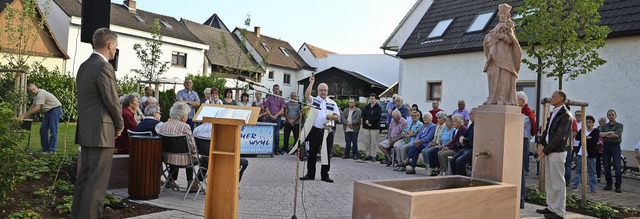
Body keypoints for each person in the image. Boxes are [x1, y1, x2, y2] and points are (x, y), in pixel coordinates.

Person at [72, 27, 124, 219]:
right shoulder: (104, 67)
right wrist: (120, 125)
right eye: (115, 46)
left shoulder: (84, 66)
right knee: (97, 185)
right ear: (110, 44)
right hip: (102, 134)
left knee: (84, 180)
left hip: (86, 132)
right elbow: (112, 101)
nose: (115, 50)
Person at [535, 90, 572, 219]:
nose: (551, 98)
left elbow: (560, 137)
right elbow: (548, 130)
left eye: (553, 96)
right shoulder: (554, 113)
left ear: (561, 98)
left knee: (558, 183)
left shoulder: (566, 115)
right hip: (550, 151)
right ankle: (551, 207)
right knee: (550, 181)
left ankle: (559, 212)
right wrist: (540, 141)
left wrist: (545, 151)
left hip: (557, 152)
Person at [299, 75, 340, 183]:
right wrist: (311, 83)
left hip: (327, 131)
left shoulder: (332, 103)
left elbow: (337, 116)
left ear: (327, 91)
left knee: (326, 153)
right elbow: (307, 95)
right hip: (315, 130)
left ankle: (325, 175)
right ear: (317, 91)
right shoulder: (314, 100)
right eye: (321, 90)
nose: (323, 92)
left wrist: (331, 117)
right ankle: (310, 174)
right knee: (312, 153)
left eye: (325, 90)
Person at [482, 3, 521, 106]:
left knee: (504, 80)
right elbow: (491, 39)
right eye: (501, 13)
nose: (503, 15)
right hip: (494, 57)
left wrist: (502, 36)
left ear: (508, 15)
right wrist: (489, 37)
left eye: (505, 13)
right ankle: (492, 98)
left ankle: (502, 99)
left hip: (505, 58)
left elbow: (512, 41)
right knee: (493, 79)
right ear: (498, 14)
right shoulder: (497, 26)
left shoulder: (509, 25)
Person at [157, 102, 200, 192]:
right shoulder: (185, 126)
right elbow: (192, 145)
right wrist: (196, 152)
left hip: (167, 158)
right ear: (183, 116)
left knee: (177, 151)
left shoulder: (163, 125)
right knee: (190, 155)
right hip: (183, 160)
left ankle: (170, 180)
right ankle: (190, 183)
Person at [19, 83, 63, 153]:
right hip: (48, 112)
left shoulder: (41, 93)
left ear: (36, 87)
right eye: (30, 91)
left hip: (55, 110)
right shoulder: (36, 96)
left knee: (53, 131)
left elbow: (37, 108)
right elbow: (33, 106)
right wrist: (26, 115)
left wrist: (24, 115)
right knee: (43, 130)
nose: (32, 91)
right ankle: (45, 150)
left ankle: (52, 151)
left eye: (33, 89)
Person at [517, 91, 537, 209]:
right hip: (518, 141)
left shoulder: (526, 115)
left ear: (522, 102)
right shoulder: (522, 112)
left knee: (521, 172)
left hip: (523, 142)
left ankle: (521, 200)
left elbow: (514, 124)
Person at [572, 115, 599, 193]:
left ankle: (593, 188)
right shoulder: (582, 130)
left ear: (593, 123)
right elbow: (577, 138)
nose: (588, 123)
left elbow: (594, 139)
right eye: (586, 122)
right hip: (581, 152)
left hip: (591, 153)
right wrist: (586, 137)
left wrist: (586, 138)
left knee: (592, 171)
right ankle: (575, 185)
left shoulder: (595, 131)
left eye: (589, 122)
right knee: (578, 170)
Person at [599, 109, 624, 193]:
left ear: (615, 116)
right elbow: (600, 134)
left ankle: (618, 186)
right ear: (607, 116)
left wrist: (605, 135)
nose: (611, 116)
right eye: (609, 115)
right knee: (606, 166)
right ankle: (609, 184)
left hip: (616, 147)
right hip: (606, 147)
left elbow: (616, 135)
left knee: (617, 167)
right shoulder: (604, 126)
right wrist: (610, 132)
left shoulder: (620, 125)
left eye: (612, 115)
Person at [450, 108, 476, 176]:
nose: (469, 115)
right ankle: (454, 177)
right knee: (453, 160)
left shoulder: (479, 125)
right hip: (466, 147)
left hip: (472, 148)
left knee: (459, 161)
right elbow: (465, 134)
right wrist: (462, 137)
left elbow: (472, 139)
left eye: (471, 114)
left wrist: (464, 140)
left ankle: (462, 178)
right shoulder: (472, 124)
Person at [264, 84, 285, 155]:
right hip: (270, 118)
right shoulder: (269, 98)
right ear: (273, 90)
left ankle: (276, 150)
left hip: (278, 118)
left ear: (279, 90)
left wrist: (276, 115)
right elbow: (267, 108)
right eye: (275, 89)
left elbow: (282, 109)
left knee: (276, 134)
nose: (276, 90)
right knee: (269, 134)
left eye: (277, 89)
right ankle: (269, 150)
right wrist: (271, 115)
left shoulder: (282, 99)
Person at [361, 93, 382, 161]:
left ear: (375, 99)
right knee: (367, 142)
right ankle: (367, 154)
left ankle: (373, 155)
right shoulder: (367, 107)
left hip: (374, 127)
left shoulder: (378, 107)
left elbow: (378, 116)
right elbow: (363, 115)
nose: (371, 100)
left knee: (374, 142)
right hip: (366, 127)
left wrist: (371, 122)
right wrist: (366, 121)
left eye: (373, 98)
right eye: (370, 98)